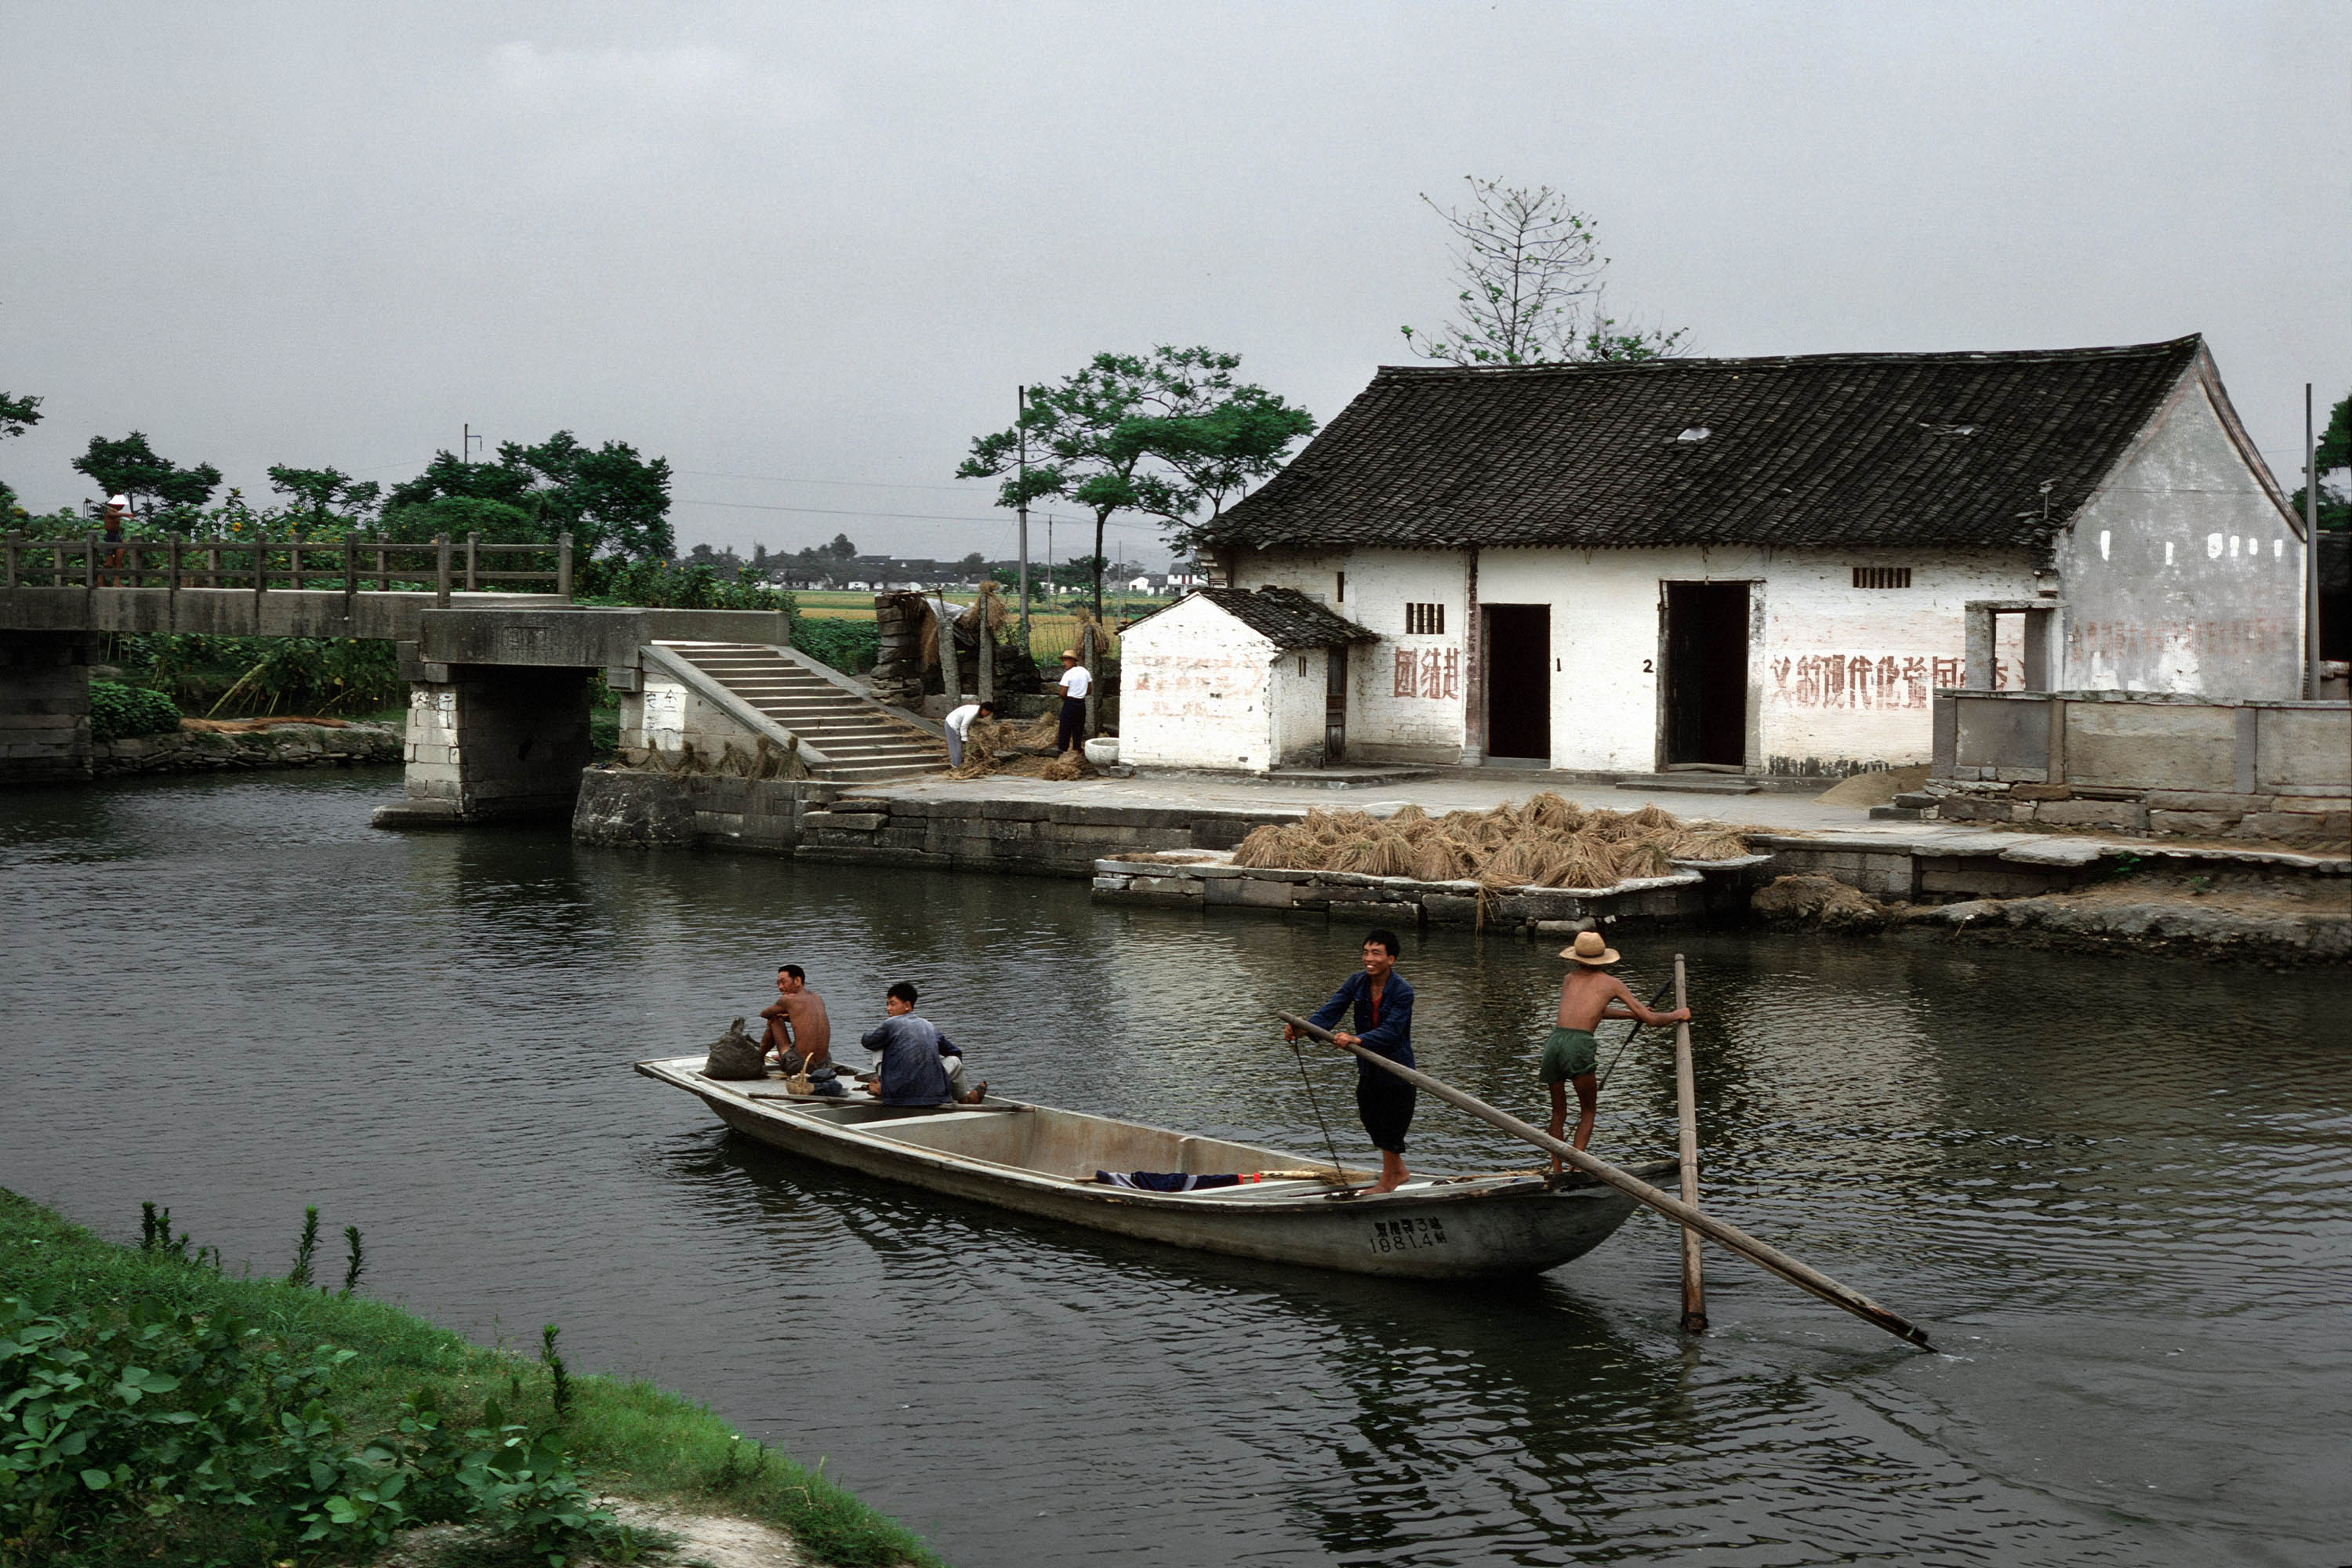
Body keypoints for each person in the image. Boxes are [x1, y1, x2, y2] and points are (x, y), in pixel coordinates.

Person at [1543, 931, 1690, 1164]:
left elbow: (1593, 1011)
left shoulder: (1569, 979)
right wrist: (1677, 1015)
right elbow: (1651, 1021)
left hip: (1554, 1042)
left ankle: (1557, 1169)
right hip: (1578, 1045)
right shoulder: (1612, 983)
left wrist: (1631, 1016)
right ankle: (1576, 1167)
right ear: (1603, 958)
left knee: (1558, 1112)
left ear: (1577, 958)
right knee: (1588, 1110)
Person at [1287, 928, 1416, 1194]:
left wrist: (1358, 1040)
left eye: (1376, 954)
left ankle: (1389, 1179)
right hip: (1368, 1065)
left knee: (1392, 1122)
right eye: (1366, 952)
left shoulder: (1403, 992)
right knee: (1370, 1115)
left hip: (1396, 1066)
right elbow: (1331, 1010)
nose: (1369, 958)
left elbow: (1392, 1031)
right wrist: (1304, 1028)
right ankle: (1398, 1170)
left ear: (1391, 959)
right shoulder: (1356, 983)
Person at [858, 982, 986, 1106]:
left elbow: (867, 1041)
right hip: (935, 1093)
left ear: (907, 1005)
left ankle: (884, 1085)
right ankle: (962, 1097)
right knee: (953, 1060)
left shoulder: (890, 1024)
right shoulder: (928, 1026)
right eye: (887, 1004)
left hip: (897, 1094)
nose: (888, 1009)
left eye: (892, 1004)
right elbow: (955, 1053)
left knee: (877, 1043)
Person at [759, 964, 832, 1072]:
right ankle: (784, 1056)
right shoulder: (817, 998)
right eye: (778, 983)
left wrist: (783, 1017)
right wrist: (789, 1017)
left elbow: (764, 1013)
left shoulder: (787, 999)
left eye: (783, 982)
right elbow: (807, 1019)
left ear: (797, 980)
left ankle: (759, 1057)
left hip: (800, 1067)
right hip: (824, 1065)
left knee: (774, 1019)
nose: (780, 987)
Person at [1052, 649, 1091, 754]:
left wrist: (1069, 699)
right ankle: (1077, 748)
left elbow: (1062, 693)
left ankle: (1062, 749)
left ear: (1073, 661)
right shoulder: (1085, 671)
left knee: (1065, 726)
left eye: (1066, 660)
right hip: (1081, 703)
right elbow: (1089, 690)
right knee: (1079, 726)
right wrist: (1080, 694)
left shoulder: (1068, 674)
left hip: (1070, 703)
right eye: (1064, 660)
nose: (1064, 663)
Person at [942, 699, 996, 768]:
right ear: (984, 710)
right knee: (956, 747)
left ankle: (960, 765)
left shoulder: (976, 711)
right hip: (951, 724)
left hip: (957, 725)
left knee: (959, 747)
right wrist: (965, 738)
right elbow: (964, 725)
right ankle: (956, 767)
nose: (986, 716)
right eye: (987, 714)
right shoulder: (973, 712)